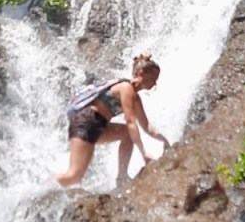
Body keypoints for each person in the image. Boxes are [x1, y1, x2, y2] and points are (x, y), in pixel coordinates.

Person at [54, 53, 170, 187]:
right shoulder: (126, 88)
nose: (155, 83)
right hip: (86, 121)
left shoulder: (136, 99)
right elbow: (131, 122)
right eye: (153, 78)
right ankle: (41, 190)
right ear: (140, 73)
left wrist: (164, 140)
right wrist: (143, 153)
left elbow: (146, 126)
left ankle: (121, 178)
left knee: (126, 134)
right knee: (74, 175)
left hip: (98, 125)